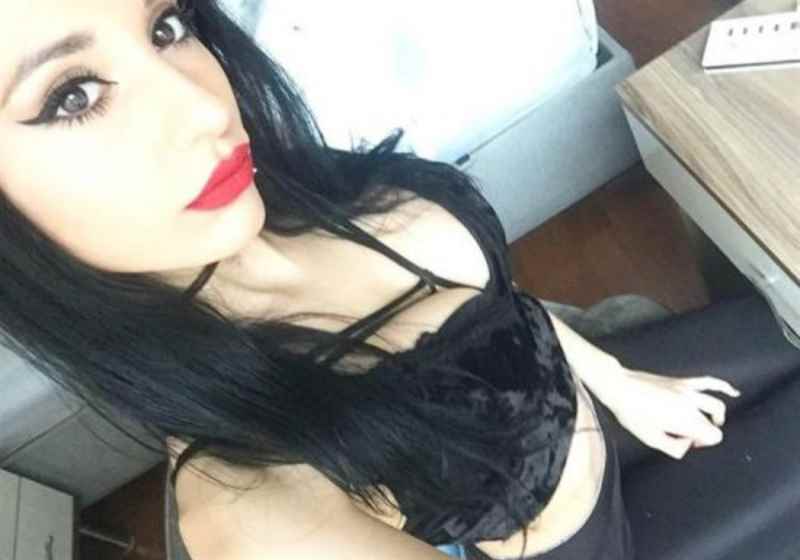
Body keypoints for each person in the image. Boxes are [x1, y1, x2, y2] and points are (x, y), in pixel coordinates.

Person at [0, 2, 740, 559]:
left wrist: (620, 384)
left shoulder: (298, 194)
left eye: (166, 27)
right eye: (73, 96)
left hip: (616, 413)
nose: (203, 107)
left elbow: (498, 310)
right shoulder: (253, 505)